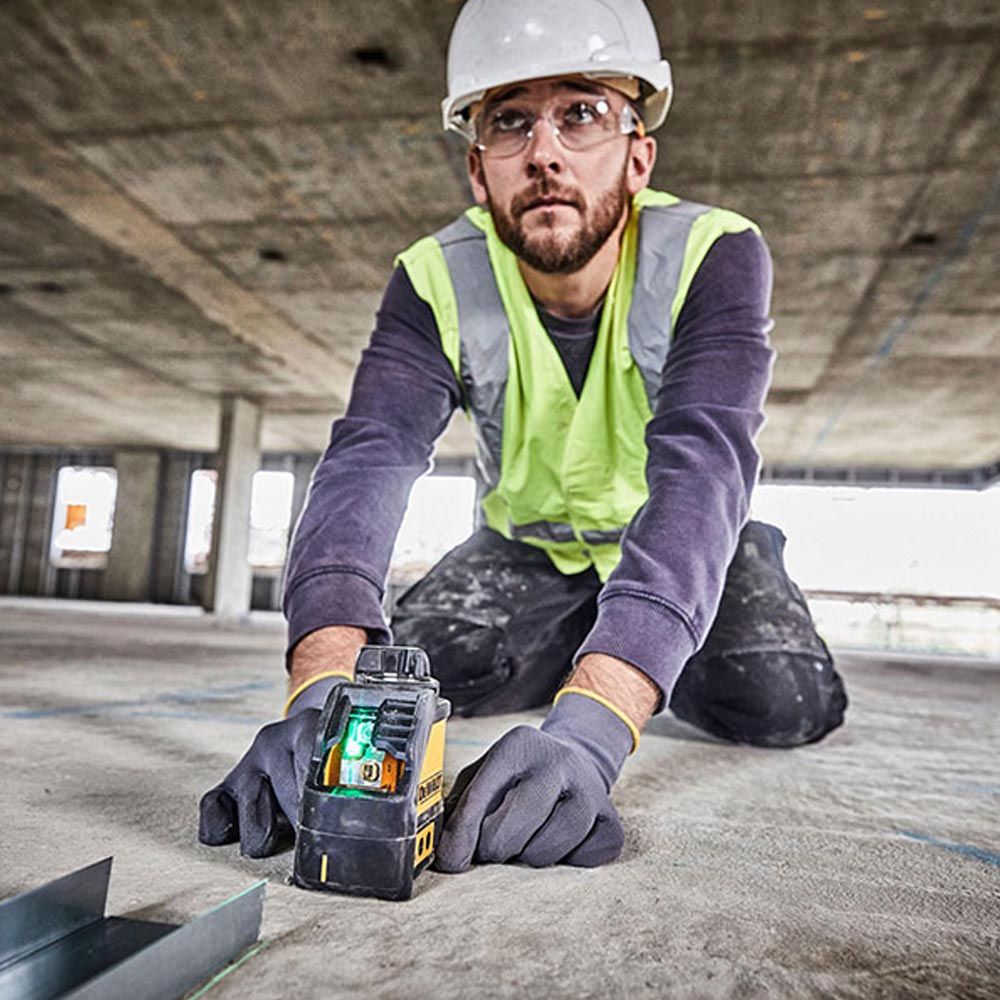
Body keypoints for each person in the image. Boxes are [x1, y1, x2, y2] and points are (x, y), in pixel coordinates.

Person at [199, 0, 847, 870]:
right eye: (510, 121)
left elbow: (704, 465)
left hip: (687, 545)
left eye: (580, 113)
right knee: (413, 678)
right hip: (526, 550)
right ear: (478, 169)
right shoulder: (433, 279)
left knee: (778, 700)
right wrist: (318, 686)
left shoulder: (714, 254)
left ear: (638, 153)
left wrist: (593, 726)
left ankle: (628, 633)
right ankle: (584, 631)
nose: (544, 151)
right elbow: (371, 457)